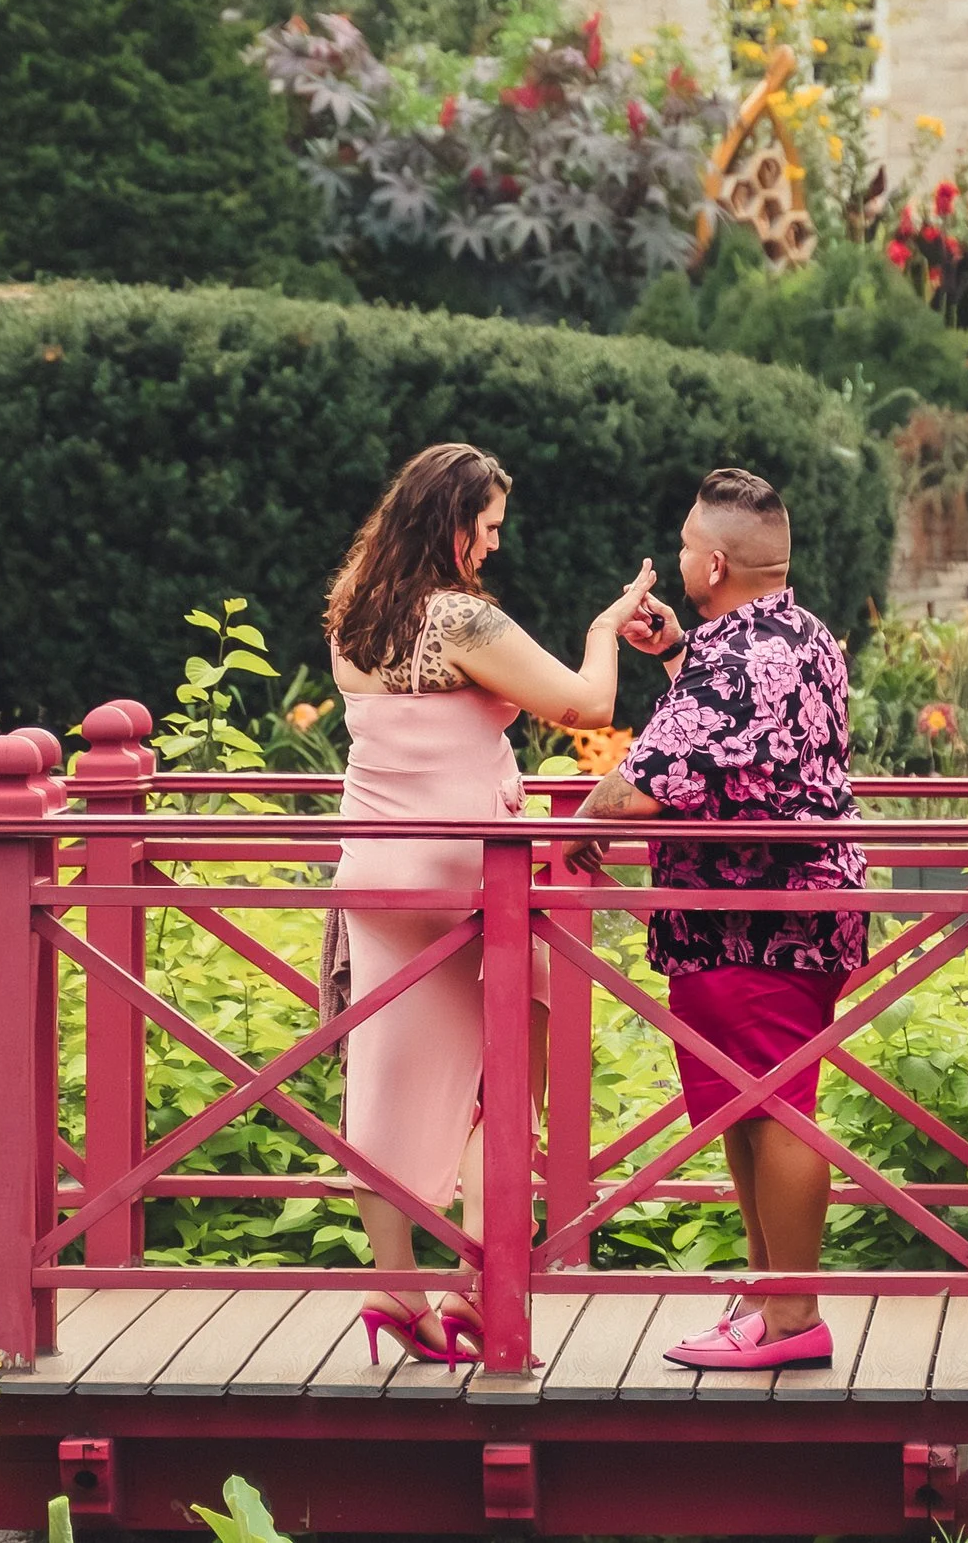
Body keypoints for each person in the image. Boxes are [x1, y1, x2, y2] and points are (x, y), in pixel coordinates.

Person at [325, 442, 656, 1368]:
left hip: (376, 870)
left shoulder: (355, 613)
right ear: (453, 523)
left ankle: (397, 1288)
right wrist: (605, 626)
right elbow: (587, 706)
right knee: (502, 1067)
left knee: (384, 1067)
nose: (495, 547)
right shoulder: (458, 620)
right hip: (467, 881)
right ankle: (478, 1281)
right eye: (490, 527)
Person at [567, 468, 867, 1371]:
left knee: (775, 1108)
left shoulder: (736, 662)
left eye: (689, 545)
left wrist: (579, 823)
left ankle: (792, 1318)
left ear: (714, 561)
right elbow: (732, 743)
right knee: (755, 1106)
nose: (683, 557)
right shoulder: (799, 636)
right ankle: (766, 1299)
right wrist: (672, 654)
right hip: (789, 915)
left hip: (756, 923)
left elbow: (643, 787)